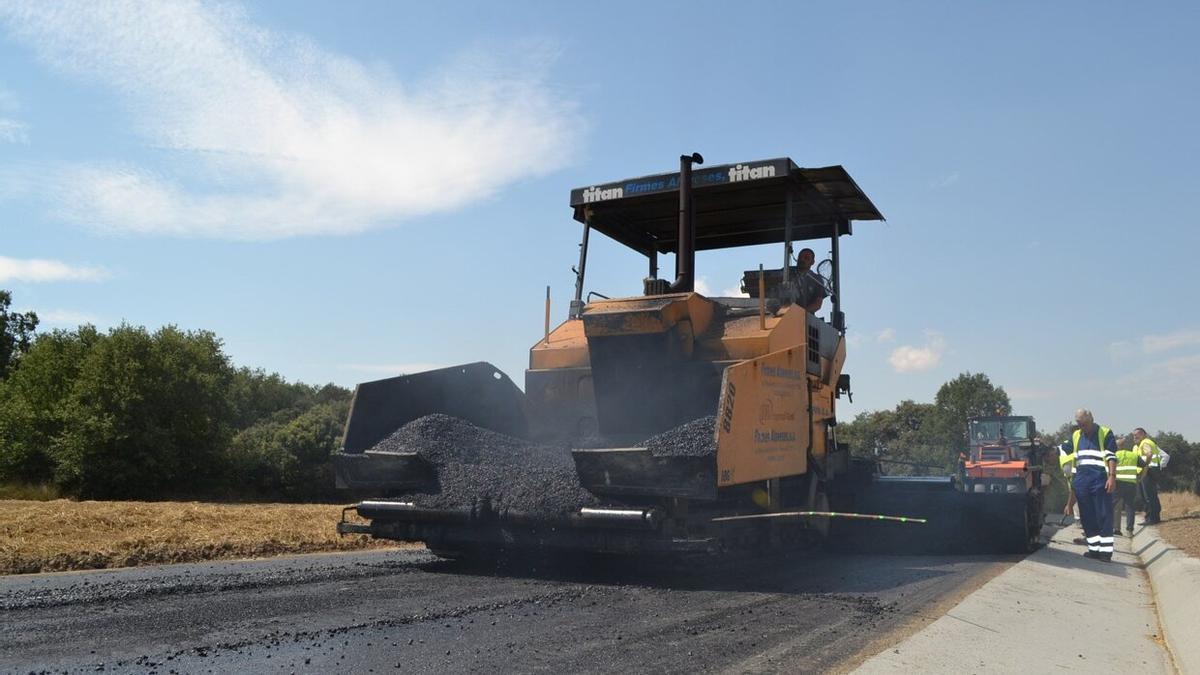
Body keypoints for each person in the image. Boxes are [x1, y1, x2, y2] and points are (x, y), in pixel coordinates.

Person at [1059, 408, 1118, 561]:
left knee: (1104, 516)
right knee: (1087, 517)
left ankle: (1105, 553)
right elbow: (1063, 449)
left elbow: (1112, 456)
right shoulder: (1076, 435)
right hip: (1082, 482)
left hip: (1100, 480)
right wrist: (1046, 449)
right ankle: (1094, 550)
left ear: (1091, 419)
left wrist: (1112, 477)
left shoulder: (1105, 433)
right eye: (1078, 424)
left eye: (1083, 424)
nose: (1081, 427)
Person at [1112, 437, 1147, 536]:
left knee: (1113, 506)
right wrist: (1140, 477)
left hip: (1117, 483)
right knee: (1130, 507)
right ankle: (1129, 530)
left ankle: (1115, 529)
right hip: (1131, 484)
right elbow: (1145, 466)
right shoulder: (1133, 456)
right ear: (1126, 446)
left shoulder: (1114, 455)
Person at [1133, 427, 1163, 525]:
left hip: (1148, 471)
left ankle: (1152, 518)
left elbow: (1149, 454)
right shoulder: (1139, 445)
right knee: (1149, 495)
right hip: (1147, 471)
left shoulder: (1145, 443)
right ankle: (1153, 517)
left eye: (1137, 434)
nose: (1135, 437)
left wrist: (1145, 465)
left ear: (1144, 434)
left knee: (1148, 496)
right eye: (1134, 435)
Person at [790, 247, 828, 313]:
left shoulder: (817, 279)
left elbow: (817, 304)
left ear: (812, 262)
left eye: (806, 258)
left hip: (805, 319)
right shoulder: (786, 272)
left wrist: (801, 313)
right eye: (800, 257)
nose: (802, 259)